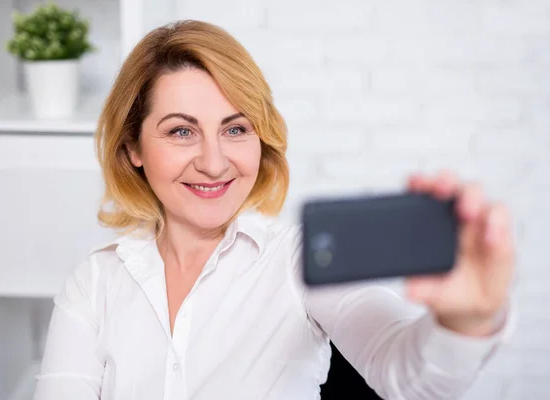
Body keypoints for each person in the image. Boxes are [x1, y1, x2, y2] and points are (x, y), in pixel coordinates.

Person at [33, 20, 516, 400]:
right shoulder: (93, 285)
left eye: (236, 129)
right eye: (181, 131)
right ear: (133, 147)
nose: (214, 161)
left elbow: (408, 378)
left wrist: (467, 322)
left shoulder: (299, 261)